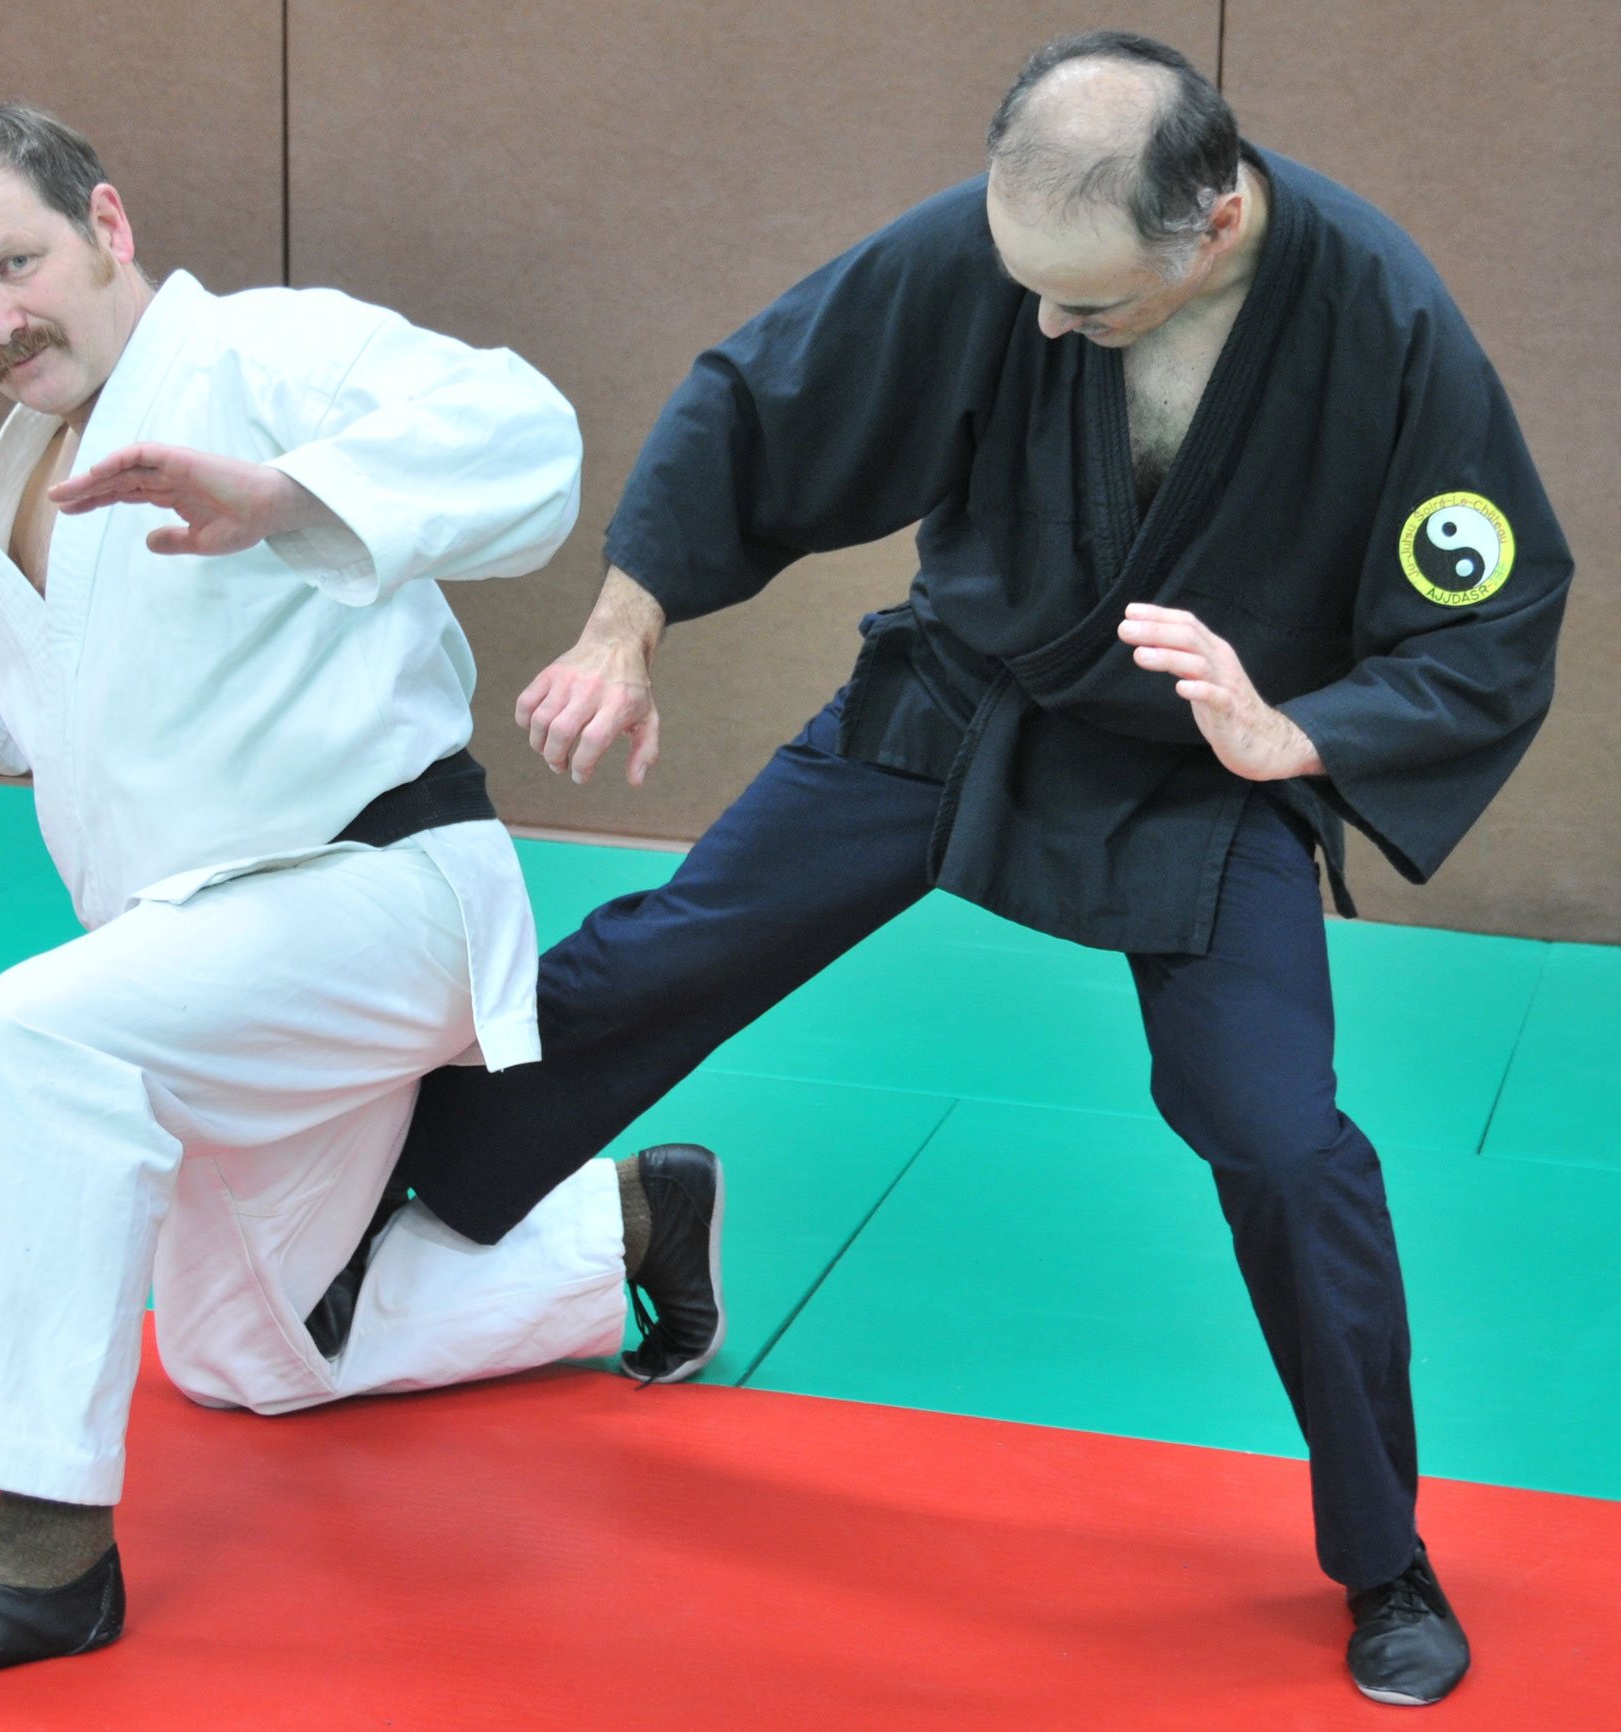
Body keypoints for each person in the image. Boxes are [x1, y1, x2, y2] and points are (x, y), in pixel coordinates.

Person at [391, 31, 1571, 1709]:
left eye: (1087, 309)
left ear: (1214, 219)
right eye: (1026, 288)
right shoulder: (1011, 242)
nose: (1042, 328)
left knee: (1281, 1135)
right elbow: (763, 397)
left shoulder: (1379, 316)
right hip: (970, 692)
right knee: (672, 950)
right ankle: (392, 1185)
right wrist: (623, 628)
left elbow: (1493, 608)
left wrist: (1291, 739)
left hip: (1199, 763)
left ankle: (1387, 1555)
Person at [0, 101, 724, 1692]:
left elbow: (526, 437)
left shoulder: (265, 356)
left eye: (16, 262)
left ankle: (36, 1566)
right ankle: (623, 1226)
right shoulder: (18, 479)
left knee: (36, 1042)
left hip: (375, 892)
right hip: (219, 958)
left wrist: (283, 494)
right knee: (245, 1359)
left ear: (106, 225)